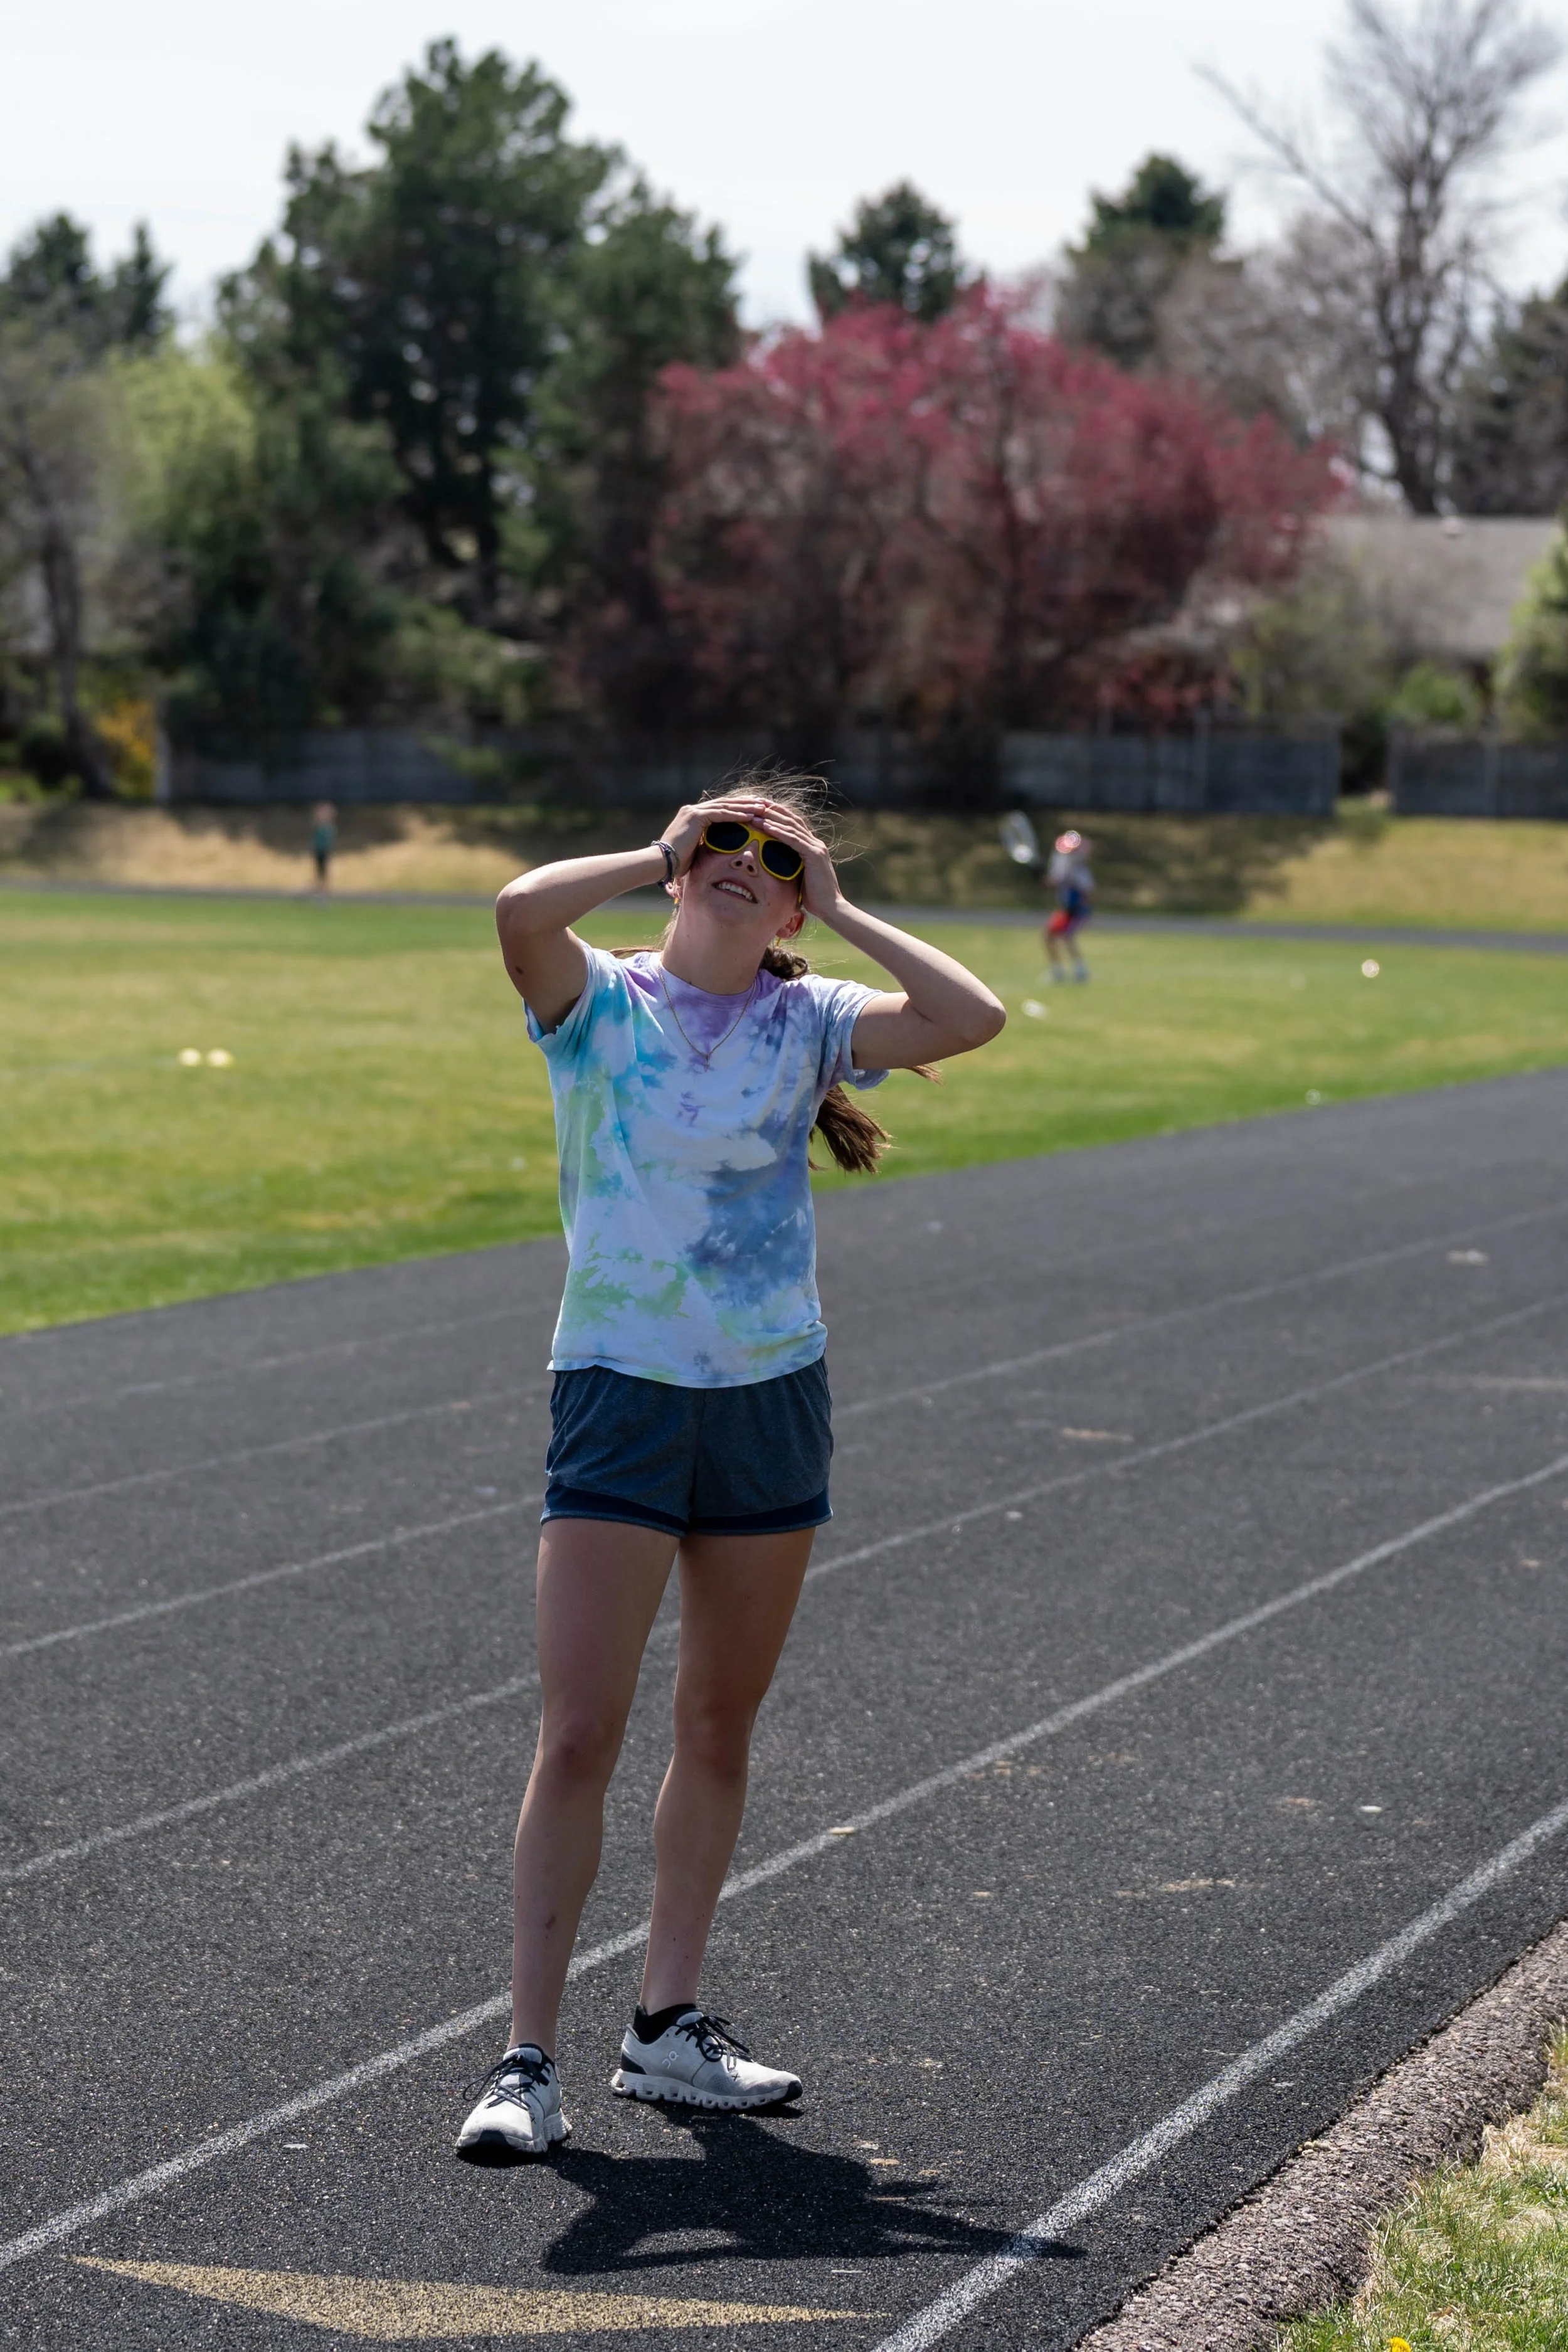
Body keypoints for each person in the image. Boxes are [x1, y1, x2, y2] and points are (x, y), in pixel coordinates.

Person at [455, 776, 1005, 2161]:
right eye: (721, 842)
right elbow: (517, 907)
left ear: (790, 893)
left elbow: (970, 1017)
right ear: (677, 862)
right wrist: (655, 845)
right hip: (621, 1397)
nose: (737, 864)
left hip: (768, 1398)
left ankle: (665, 2029)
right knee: (578, 1730)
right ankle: (525, 2062)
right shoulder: (597, 1004)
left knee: (715, 1727)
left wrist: (840, 905)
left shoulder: (810, 1021)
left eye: (768, 854)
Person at [1044, 828, 1093, 982]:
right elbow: (1053, 882)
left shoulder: (1080, 872)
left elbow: (1089, 893)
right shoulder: (1064, 867)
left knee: (1067, 937)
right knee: (1049, 938)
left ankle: (1080, 970)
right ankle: (1058, 971)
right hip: (1065, 910)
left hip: (1075, 911)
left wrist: (1078, 909)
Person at [310, 801, 337, 892]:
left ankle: (325, 889)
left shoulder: (328, 828)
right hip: (318, 851)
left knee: (325, 871)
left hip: (325, 851)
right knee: (319, 871)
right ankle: (319, 888)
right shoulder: (319, 826)